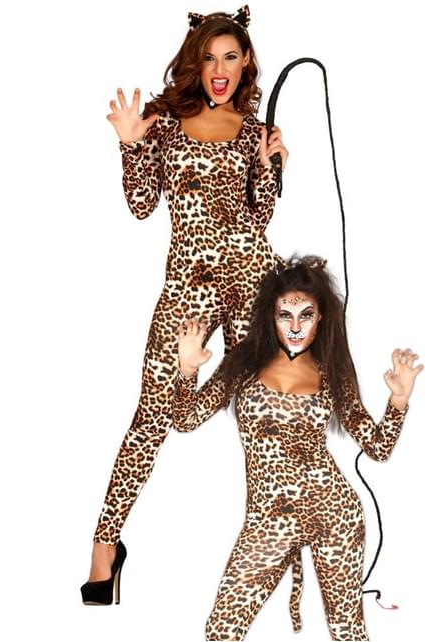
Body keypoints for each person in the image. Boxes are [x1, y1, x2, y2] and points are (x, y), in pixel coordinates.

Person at [81, 5, 289, 603]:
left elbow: (258, 217)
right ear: (195, 63)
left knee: (267, 413)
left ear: (246, 62)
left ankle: (276, 548)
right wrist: (130, 146)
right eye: (209, 58)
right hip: (189, 288)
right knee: (155, 413)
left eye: (230, 57)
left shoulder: (253, 129)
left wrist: (271, 167)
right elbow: (141, 205)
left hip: (252, 279)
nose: (219, 69)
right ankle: (104, 549)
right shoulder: (166, 122)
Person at [172, 255, 423, 641]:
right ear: (270, 318)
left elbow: (378, 448)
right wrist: (188, 369)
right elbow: (185, 420)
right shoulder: (243, 365)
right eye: (284, 315)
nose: (294, 327)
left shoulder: (333, 372)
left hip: (334, 513)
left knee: (347, 631)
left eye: (305, 316)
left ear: (320, 318)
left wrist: (399, 401)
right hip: (268, 520)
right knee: (222, 629)